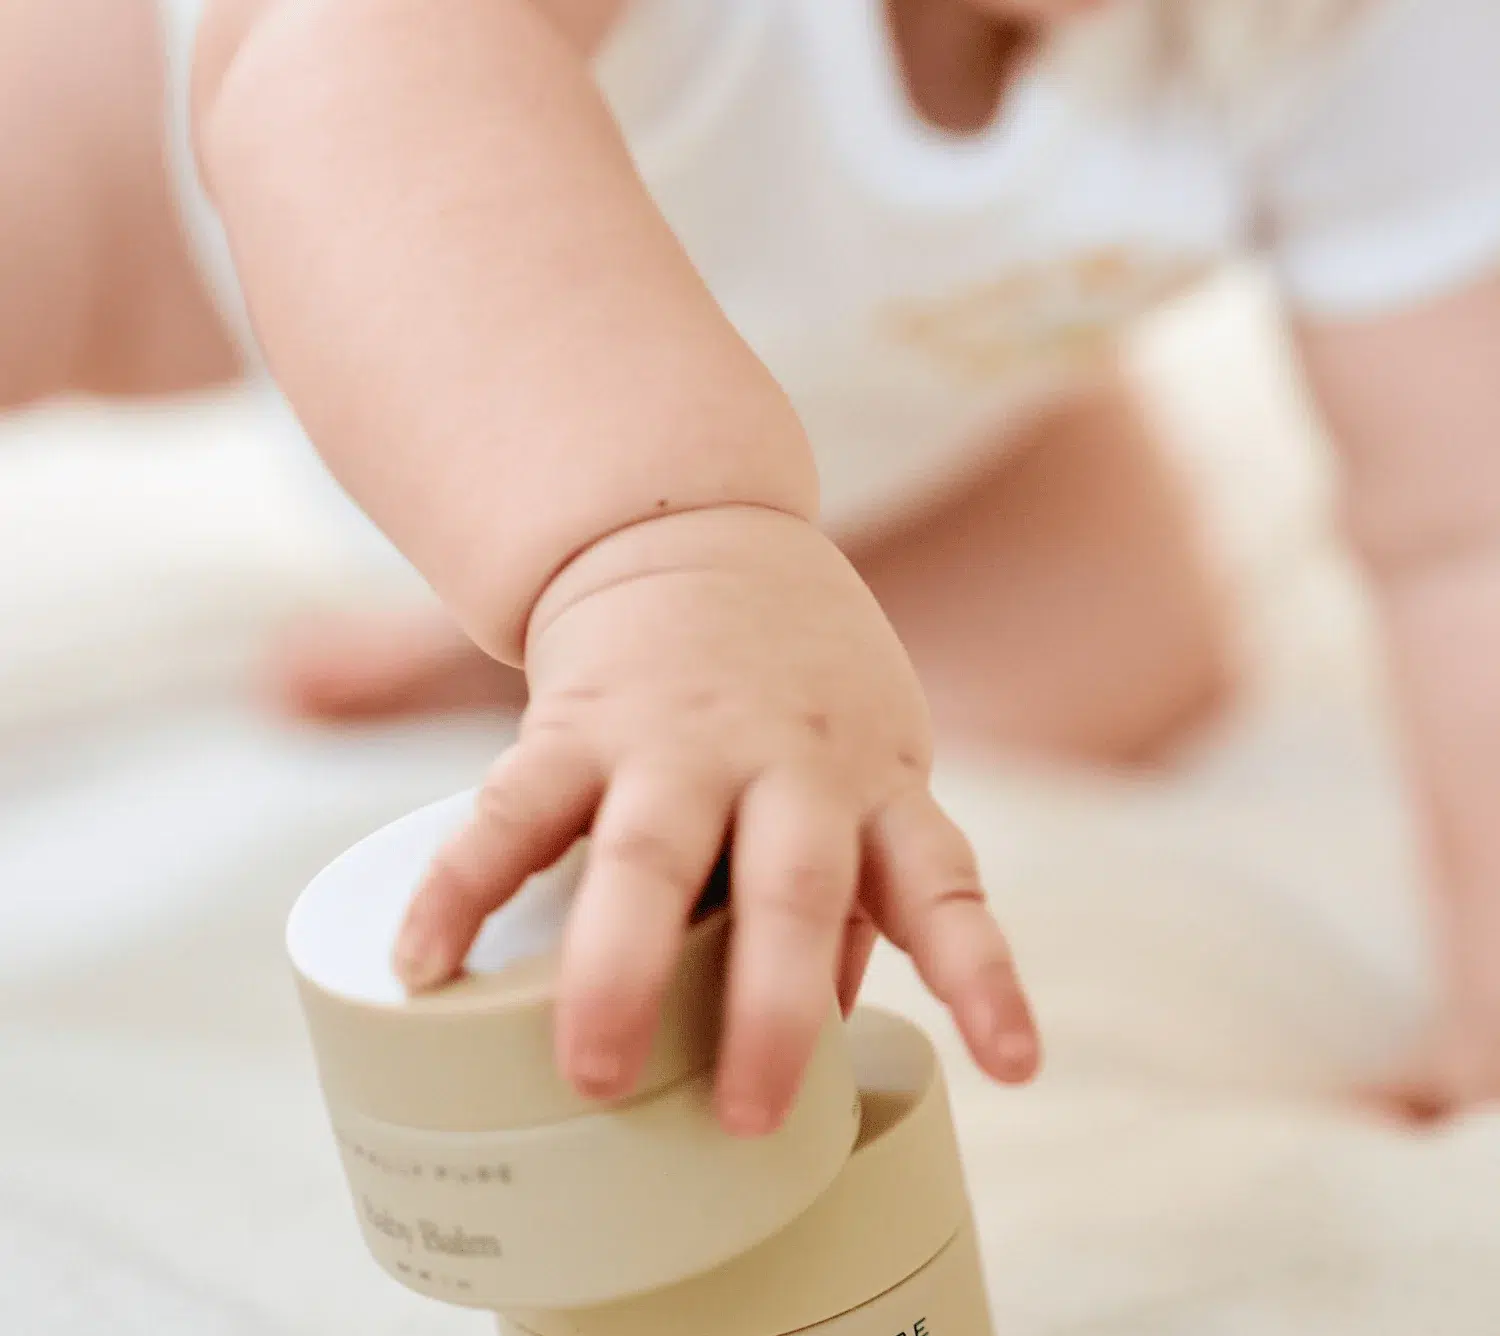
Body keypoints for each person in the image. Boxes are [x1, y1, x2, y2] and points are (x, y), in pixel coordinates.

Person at [7, 0, 1499, 1128]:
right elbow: (351, 55)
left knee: (1101, 637)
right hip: (215, 167)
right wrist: (656, 560)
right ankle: (602, 585)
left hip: (852, 390)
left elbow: (1465, 528)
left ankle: (558, 636)